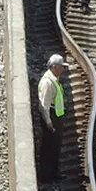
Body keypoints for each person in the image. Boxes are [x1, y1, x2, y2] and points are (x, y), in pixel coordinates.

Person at [37, 54, 67, 182]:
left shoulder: (54, 79)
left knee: (55, 146)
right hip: (51, 118)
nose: (63, 69)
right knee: (49, 146)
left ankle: (53, 172)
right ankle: (46, 175)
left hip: (57, 116)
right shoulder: (48, 82)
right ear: (54, 67)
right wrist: (49, 123)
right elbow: (44, 105)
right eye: (62, 67)